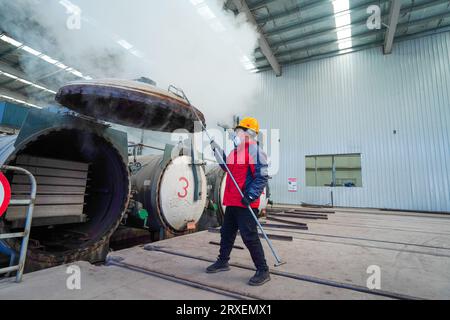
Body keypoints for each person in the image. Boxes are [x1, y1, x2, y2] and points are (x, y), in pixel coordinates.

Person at [206, 117, 270, 286]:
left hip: (246, 202)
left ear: (249, 133)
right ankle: (223, 261)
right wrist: (217, 150)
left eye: (239, 131)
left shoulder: (255, 151)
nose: (236, 134)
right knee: (226, 233)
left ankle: (263, 270)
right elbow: (227, 168)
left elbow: (262, 177)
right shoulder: (236, 151)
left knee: (249, 237)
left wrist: (250, 196)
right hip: (233, 201)